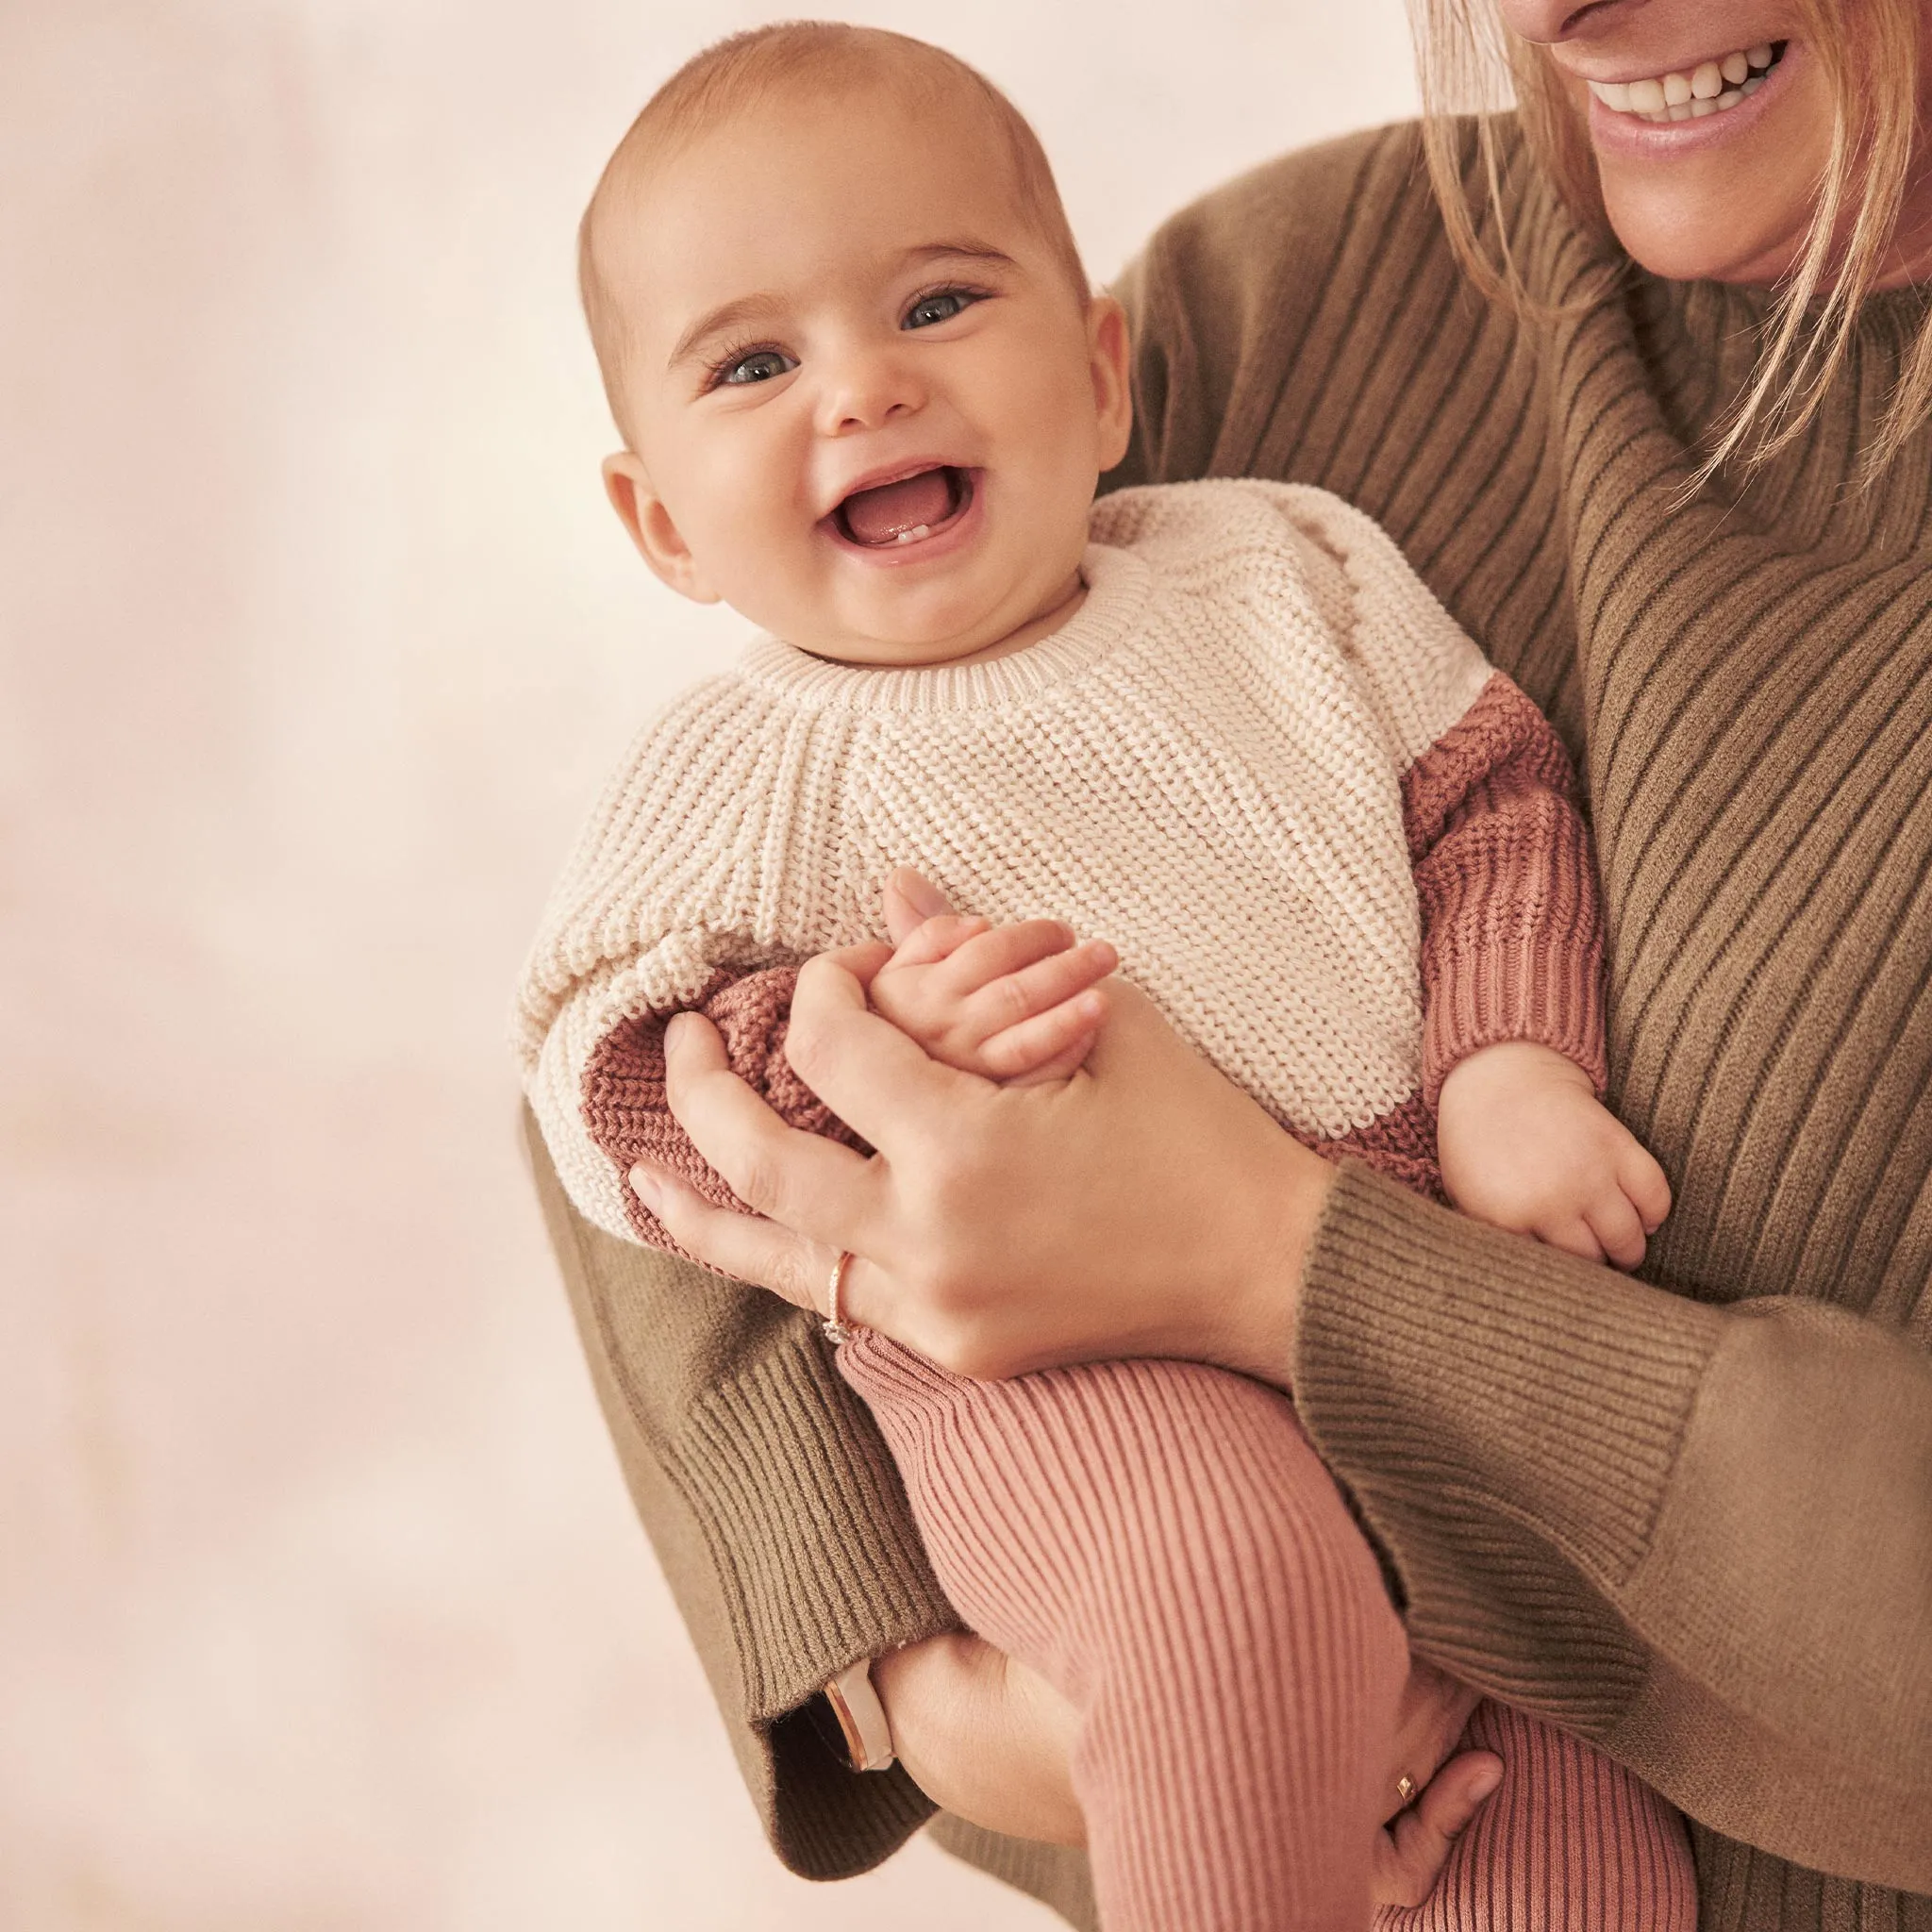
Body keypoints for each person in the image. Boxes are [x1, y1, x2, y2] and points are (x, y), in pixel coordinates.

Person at [522, 4, 1932, 1929]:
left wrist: (1353, 1194)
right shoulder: (1301, 301)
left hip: (1491, 1634)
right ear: (656, 519)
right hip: (1091, 1435)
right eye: (760, 364)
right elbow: (611, 1068)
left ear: (1091, 382)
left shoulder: (1274, 567)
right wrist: (933, 1699)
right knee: (1228, 1591)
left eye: (934, 311)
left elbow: (1482, 805)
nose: (864, 393)